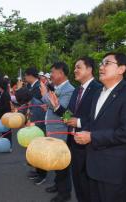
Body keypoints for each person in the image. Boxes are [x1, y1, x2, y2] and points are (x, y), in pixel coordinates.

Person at [75, 53, 126, 202]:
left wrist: (91, 136)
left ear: (121, 69)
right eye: (101, 63)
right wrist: (83, 131)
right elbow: (93, 122)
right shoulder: (98, 93)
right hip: (93, 167)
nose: (101, 67)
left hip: (114, 172)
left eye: (107, 63)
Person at [49, 57, 101, 202]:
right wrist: (58, 107)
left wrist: (78, 122)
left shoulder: (98, 89)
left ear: (89, 69)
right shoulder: (77, 89)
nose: (75, 70)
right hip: (73, 142)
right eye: (75, 67)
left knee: (88, 184)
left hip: (88, 145)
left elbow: (100, 118)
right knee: (78, 182)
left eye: (79, 67)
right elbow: (70, 115)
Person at [41, 62, 74, 202]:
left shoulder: (69, 89)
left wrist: (44, 95)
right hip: (53, 130)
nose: (51, 75)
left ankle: (64, 193)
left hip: (61, 132)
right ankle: (57, 185)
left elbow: (63, 110)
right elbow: (53, 106)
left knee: (62, 164)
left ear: (61, 73)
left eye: (53, 72)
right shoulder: (57, 87)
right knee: (56, 161)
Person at [23, 67, 47, 185]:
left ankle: (42, 174)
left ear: (30, 75)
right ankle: (37, 170)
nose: (25, 78)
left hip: (39, 122)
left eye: (25, 76)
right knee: (34, 149)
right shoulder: (30, 86)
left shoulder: (39, 87)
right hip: (33, 120)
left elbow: (40, 105)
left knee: (40, 149)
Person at [0, 79, 12, 145]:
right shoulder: (2, 93)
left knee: (7, 130)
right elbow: (0, 103)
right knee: (4, 129)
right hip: (3, 114)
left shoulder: (6, 94)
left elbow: (6, 105)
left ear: (2, 86)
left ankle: (9, 144)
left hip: (6, 114)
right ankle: (5, 143)